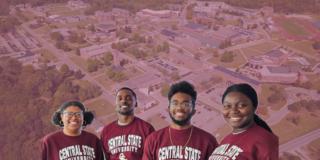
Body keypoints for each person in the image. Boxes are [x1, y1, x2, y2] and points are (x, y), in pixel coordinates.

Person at [142, 81, 218, 160]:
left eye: (186, 104)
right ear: (168, 109)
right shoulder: (153, 140)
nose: (179, 108)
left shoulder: (208, 141)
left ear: (194, 110)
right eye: (175, 103)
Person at [209, 83, 279, 160]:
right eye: (227, 106)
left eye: (241, 105)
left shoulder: (264, 139)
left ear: (254, 107)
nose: (233, 111)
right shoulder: (225, 140)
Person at [101, 87, 155, 160]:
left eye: (128, 98)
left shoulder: (147, 129)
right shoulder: (106, 131)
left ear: (136, 103)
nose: (123, 101)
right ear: (116, 104)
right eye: (119, 98)